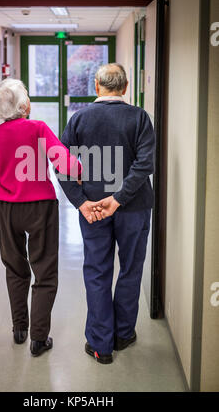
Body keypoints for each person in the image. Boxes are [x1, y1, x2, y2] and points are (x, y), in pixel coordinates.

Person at [59, 64, 155, 365]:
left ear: (97, 87)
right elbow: (144, 164)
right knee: (130, 270)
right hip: (134, 207)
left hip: (93, 209)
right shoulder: (139, 118)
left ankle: (101, 345)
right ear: (125, 87)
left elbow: (60, 162)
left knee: (97, 272)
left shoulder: (79, 118)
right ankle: (123, 334)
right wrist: (119, 199)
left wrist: (80, 202)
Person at [0, 78, 82, 357]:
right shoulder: (37, 127)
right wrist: (79, 169)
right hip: (40, 206)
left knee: (15, 269)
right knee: (45, 271)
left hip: (6, 207)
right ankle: (39, 340)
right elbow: (61, 158)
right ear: (24, 105)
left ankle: (19, 330)